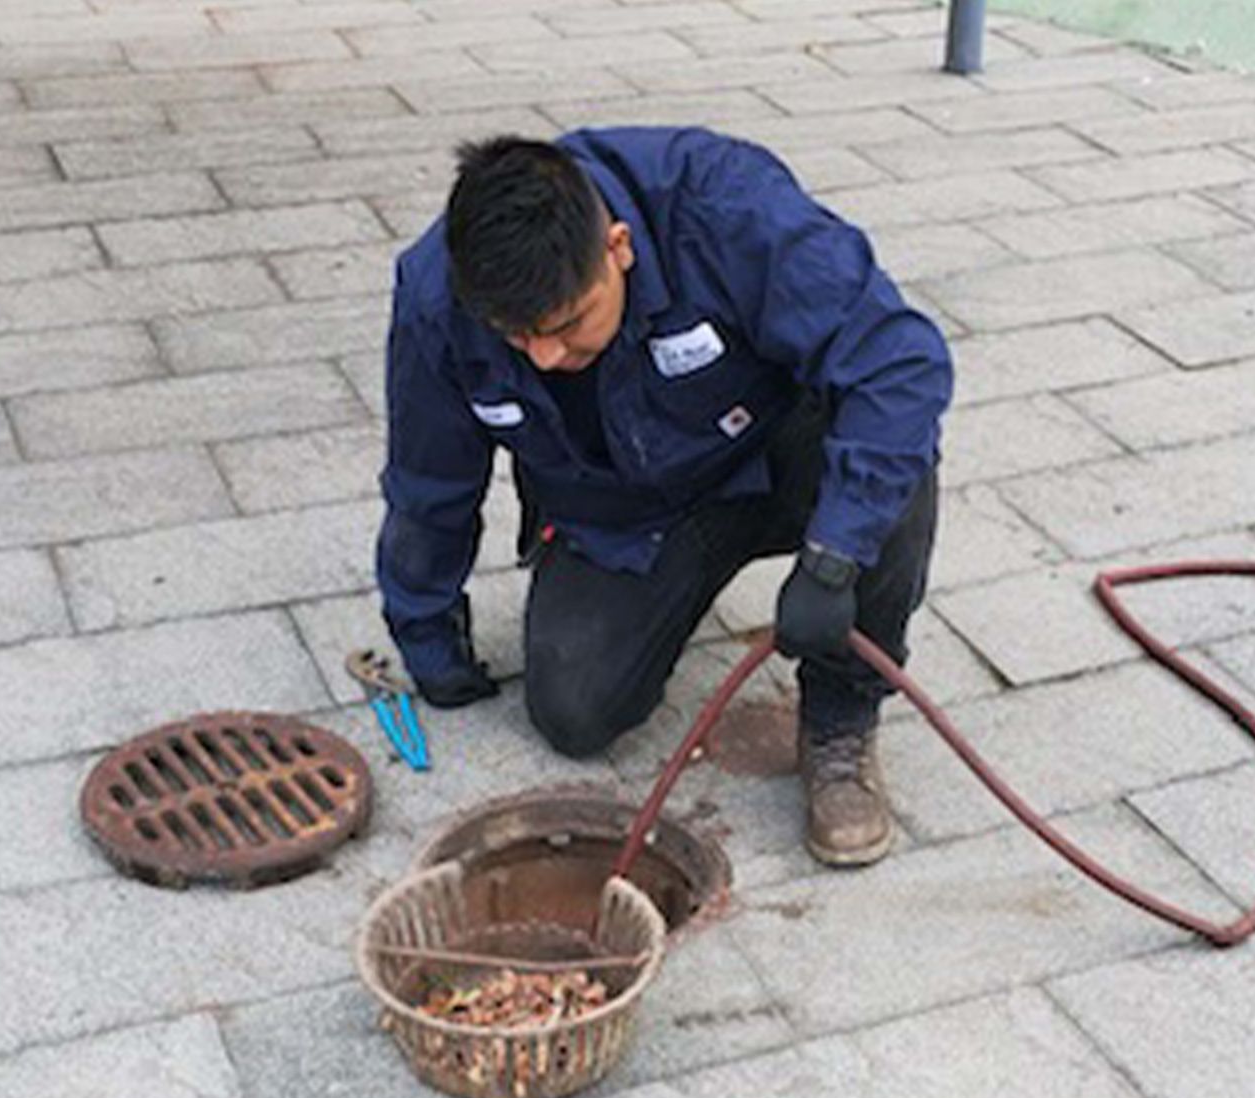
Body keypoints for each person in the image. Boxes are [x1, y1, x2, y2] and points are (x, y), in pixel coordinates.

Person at [376, 127, 950, 867]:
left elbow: (900, 365)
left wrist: (837, 557)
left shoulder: (727, 209)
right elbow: (429, 477)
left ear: (619, 247)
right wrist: (425, 629)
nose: (546, 356)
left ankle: (840, 720)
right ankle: (683, 581)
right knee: (575, 711)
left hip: (773, 455)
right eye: (518, 338)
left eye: (568, 324)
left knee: (891, 460)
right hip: (625, 510)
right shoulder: (436, 298)